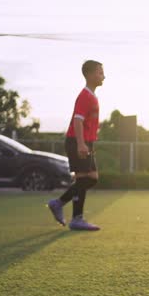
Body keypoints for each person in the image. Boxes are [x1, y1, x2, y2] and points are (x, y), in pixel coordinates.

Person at [46, 60, 105, 231]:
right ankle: (76, 218)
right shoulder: (85, 96)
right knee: (83, 178)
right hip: (77, 141)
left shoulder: (92, 96)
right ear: (90, 74)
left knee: (91, 178)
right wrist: (80, 144)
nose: (103, 76)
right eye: (100, 72)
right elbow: (77, 120)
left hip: (86, 142)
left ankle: (58, 203)